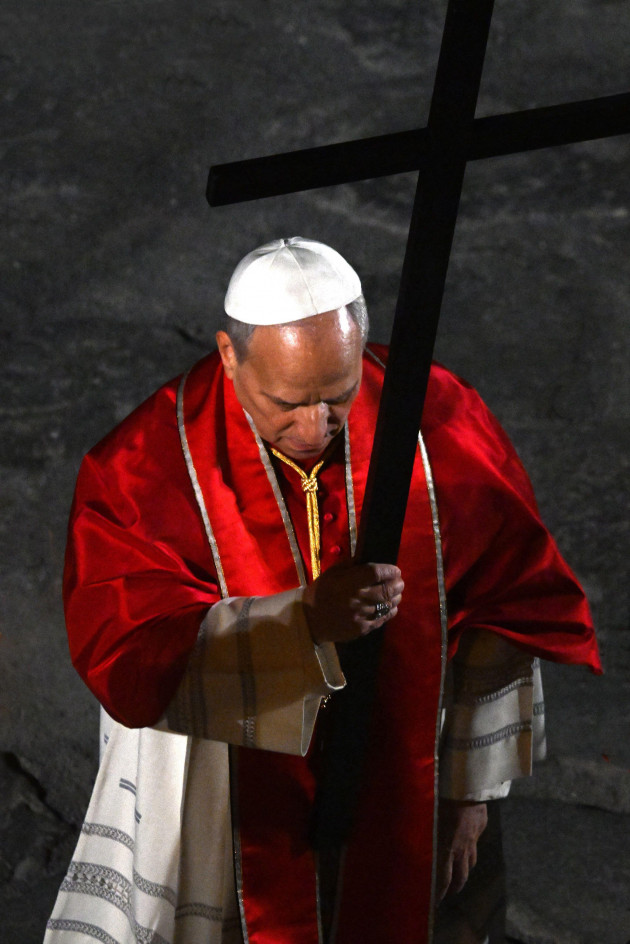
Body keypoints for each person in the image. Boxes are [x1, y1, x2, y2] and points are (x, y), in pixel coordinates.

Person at [45, 237, 601, 944]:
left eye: (338, 395)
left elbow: (500, 602)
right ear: (228, 355)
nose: (315, 427)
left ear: (360, 347)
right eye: (286, 403)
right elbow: (131, 654)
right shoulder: (144, 465)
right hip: (236, 813)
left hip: (409, 780)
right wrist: (302, 622)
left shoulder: (435, 418)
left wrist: (471, 795)